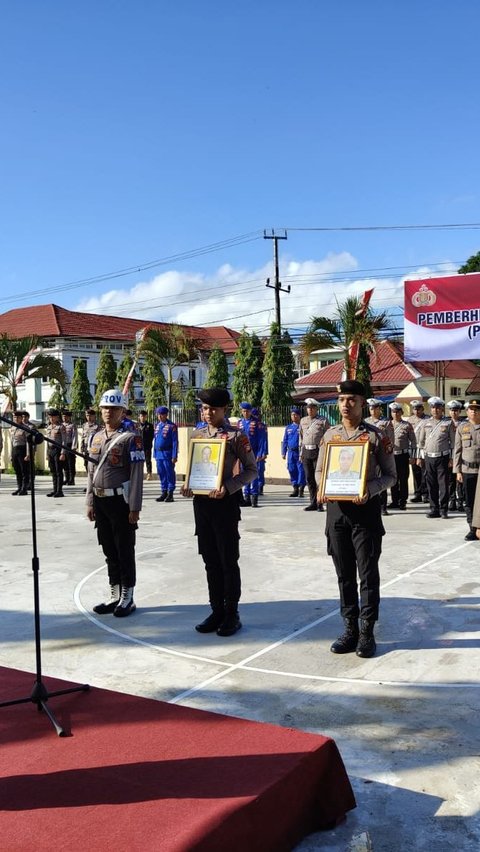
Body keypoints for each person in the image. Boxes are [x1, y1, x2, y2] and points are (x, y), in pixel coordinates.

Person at [316, 380, 396, 658]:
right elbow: (320, 470)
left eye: (352, 399)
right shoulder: (329, 436)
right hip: (336, 513)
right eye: (341, 400)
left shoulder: (376, 436)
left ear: (363, 403)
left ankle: (366, 632)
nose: (346, 405)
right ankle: (349, 628)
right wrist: (321, 488)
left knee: (367, 574)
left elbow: (390, 475)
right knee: (344, 575)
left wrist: (369, 489)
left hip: (365, 514)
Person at [181, 387, 257, 636]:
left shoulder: (236, 436)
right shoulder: (197, 435)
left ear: (225, 409)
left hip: (225, 504)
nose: (208, 412)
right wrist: (187, 483)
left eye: (213, 408)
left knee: (227, 560)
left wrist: (229, 486)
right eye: (204, 408)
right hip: (202, 505)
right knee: (210, 560)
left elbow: (251, 470)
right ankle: (216, 610)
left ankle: (231, 612)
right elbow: (193, 467)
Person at [86, 388, 144, 617]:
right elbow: (91, 472)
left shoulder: (131, 438)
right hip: (100, 501)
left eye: (114, 408)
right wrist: (89, 501)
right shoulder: (96, 436)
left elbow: (137, 474)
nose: (108, 412)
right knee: (109, 549)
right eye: (105, 408)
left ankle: (128, 596)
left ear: (122, 411)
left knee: (124, 549)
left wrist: (134, 506)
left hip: (120, 501)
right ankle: (115, 594)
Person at [417, 397, 456, 518]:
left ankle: (444, 509)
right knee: (431, 484)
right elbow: (421, 442)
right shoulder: (425, 423)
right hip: (429, 458)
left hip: (442, 457)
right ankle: (434, 509)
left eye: (438, 408)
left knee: (443, 484)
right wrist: (420, 457)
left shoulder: (448, 423)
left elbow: (453, 443)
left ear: (442, 409)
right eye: (433, 408)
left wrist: (452, 458)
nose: (435, 410)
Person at [453, 399, 480, 540]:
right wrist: (457, 471)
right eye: (471, 409)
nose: (473, 411)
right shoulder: (462, 428)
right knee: (469, 501)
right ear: (467, 411)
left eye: (476, 409)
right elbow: (457, 451)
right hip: (467, 471)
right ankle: (472, 528)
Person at [365, 398, 394, 515]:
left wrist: (387, 454)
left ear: (379, 409)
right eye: (370, 409)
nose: (372, 411)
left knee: (381, 481)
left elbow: (390, 439)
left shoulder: (386, 422)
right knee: (370, 480)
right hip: (370, 456)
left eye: (374, 408)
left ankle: (383, 507)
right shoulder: (366, 422)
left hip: (381, 455)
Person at [299, 398, 329, 512]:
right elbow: (301, 438)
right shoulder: (303, 421)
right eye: (308, 408)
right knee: (309, 478)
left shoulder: (323, 420)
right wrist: (301, 452)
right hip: (306, 451)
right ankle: (313, 502)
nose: (310, 410)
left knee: (318, 478)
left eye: (312, 408)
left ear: (316, 409)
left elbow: (328, 436)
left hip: (318, 451)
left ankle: (320, 503)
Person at [388, 402, 416, 511]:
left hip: (403, 455)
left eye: (397, 412)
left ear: (401, 413)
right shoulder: (388, 425)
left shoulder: (406, 425)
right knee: (393, 479)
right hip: (391, 456)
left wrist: (412, 456)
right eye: (393, 412)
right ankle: (395, 501)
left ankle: (402, 501)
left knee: (403, 479)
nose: (395, 414)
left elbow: (413, 441)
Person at [237, 402, 265, 507]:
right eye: (243, 411)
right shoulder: (240, 423)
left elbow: (262, 439)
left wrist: (261, 453)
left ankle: (254, 498)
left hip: (254, 453)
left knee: (254, 476)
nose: (245, 413)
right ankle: (246, 498)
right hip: (243, 453)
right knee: (245, 476)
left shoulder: (257, 423)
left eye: (247, 411)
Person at [153, 405, 178, 503]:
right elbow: (155, 440)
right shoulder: (158, 425)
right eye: (158, 414)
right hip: (159, 453)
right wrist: (154, 453)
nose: (159, 416)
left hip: (167, 453)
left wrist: (174, 455)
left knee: (169, 473)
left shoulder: (172, 426)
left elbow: (175, 442)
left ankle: (170, 493)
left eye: (161, 414)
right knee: (161, 473)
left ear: (166, 415)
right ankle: (164, 492)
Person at [281, 406, 306, 497]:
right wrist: (283, 452)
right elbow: (285, 440)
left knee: (301, 470)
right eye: (292, 415)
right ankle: (295, 488)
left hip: (299, 452)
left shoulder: (302, 427)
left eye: (295, 415)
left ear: (299, 416)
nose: (293, 416)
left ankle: (301, 489)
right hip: (290, 452)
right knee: (291, 469)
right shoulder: (288, 427)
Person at [407, 400, 429, 504]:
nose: (416, 411)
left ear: (422, 409)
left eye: (418, 409)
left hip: (424, 448)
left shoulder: (428, 419)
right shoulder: (410, 420)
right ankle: (417, 494)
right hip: (413, 448)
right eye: (415, 409)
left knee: (425, 472)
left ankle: (425, 494)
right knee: (415, 472)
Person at [446, 400, 465, 511]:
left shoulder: (464, 423)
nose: (454, 413)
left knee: (460, 479)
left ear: (459, 411)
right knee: (450, 480)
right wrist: (449, 458)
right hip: (449, 454)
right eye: (452, 410)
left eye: (456, 410)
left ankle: (460, 501)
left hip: (461, 453)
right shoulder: (445, 423)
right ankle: (451, 500)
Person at [45, 409, 66, 497]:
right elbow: (47, 441)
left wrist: (63, 453)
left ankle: (59, 491)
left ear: (57, 417)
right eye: (50, 417)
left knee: (58, 471)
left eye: (53, 417)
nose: (51, 419)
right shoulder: (49, 427)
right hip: (51, 450)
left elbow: (64, 441)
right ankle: (54, 490)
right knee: (53, 471)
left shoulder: (61, 427)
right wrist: (47, 453)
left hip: (58, 450)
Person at [81, 408, 101, 493]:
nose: (88, 417)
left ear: (94, 416)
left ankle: (95, 484)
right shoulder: (84, 426)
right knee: (87, 468)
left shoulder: (98, 427)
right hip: (86, 449)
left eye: (90, 415)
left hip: (94, 450)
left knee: (93, 468)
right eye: (87, 415)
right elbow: (83, 438)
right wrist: (81, 449)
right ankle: (89, 485)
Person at [10, 410, 30, 495]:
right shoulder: (12, 427)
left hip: (23, 450)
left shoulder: (25, 428)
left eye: (17, 417)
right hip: (15, 450)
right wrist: (11, 454)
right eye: (14, 417)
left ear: (21, 418)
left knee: (24, 471)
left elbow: (28, 442)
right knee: (17, 470)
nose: (16, 419)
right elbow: (11, 442)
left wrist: (28, 454)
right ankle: (19, 487)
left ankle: (24, 489)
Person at [251, 407, 268, 495]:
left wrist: (264, 452)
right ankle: (252, 489)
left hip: (259, 451)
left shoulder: (262, 426)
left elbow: (264, 440)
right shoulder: (249, 424)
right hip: (250, 451)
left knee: (260, 469)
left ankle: (260, 486)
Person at [62, 410, 78, 485]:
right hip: (62, 446)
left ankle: (72, 479)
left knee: (70, 463)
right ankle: (67, 478)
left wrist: (74, 447)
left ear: (69, 417)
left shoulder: (72, 425)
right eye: (63, 416)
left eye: (66, 416)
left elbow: (74, 436)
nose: (64, 418)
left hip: (69, 445)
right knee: (64, 463)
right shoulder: (61, 425)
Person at [138, 410, 154, 479]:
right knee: (139, 460)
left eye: (144, 416)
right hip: (138, 446)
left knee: (148, 459)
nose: (142, 418)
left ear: (146, 417)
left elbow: (152, 436)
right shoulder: (137, 425)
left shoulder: (149, 426)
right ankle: (139, 474)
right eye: (141, 416)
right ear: (139, 417)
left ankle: (149, 473)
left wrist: (149, 443)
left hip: (147, 445)